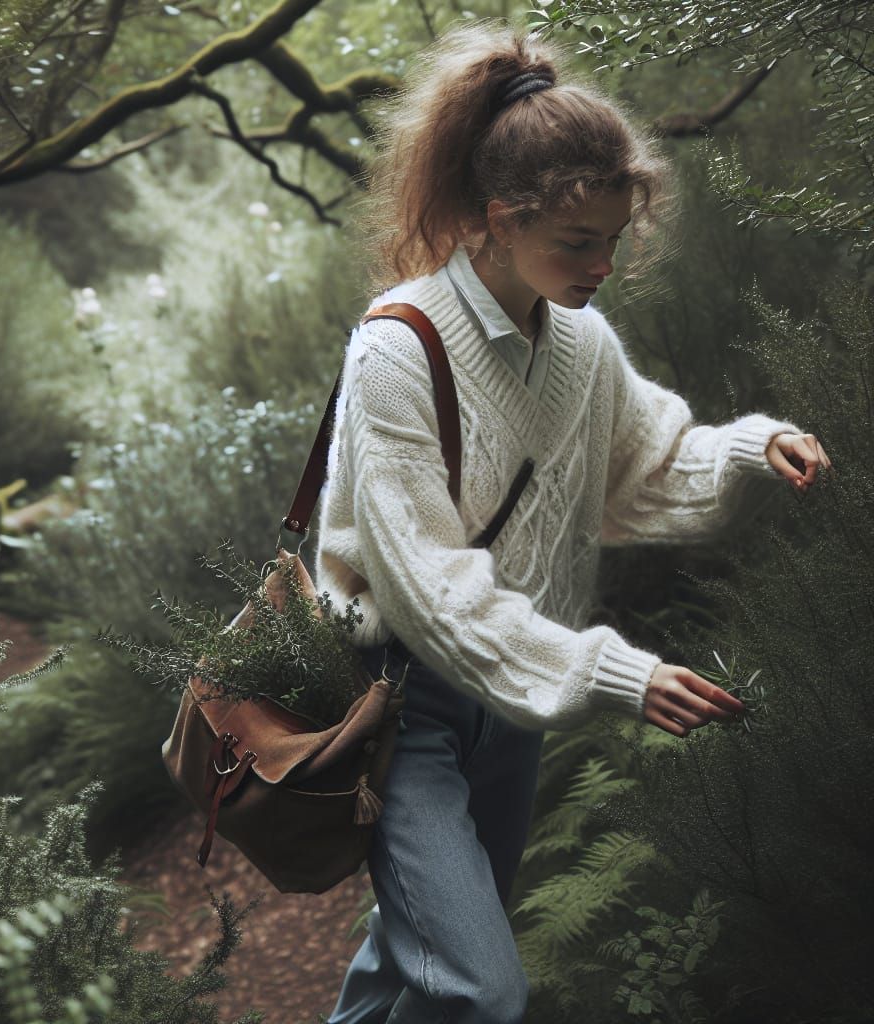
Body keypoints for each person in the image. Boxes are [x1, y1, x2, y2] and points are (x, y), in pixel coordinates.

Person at [314, 18, 833, 1024]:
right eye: (577, 242)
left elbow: (640, 466)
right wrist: (615, 671)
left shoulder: (581, 344)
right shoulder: (395, 351)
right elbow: (427, 590)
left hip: (508, 712)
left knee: (404, 966)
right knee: (479, 983)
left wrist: (745, 445)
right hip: (398, 710)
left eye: (613, 240)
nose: (602, 264)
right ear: (500, 218)